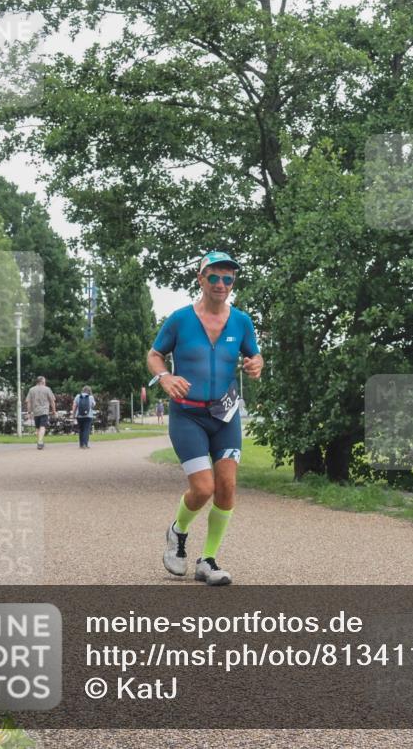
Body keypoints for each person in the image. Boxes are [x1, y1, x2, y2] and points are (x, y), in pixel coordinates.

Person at [147, 250, 263, 586]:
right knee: (203, 487)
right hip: (188, 416)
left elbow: (254, 354)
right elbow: (154, 354)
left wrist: (257, 363)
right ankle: (178, 531)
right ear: (200, 279)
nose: (222, 284)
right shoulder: (180, 319)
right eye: (214, 276)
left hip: (225, 416)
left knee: (226, 487)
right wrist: (164, 378)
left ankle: (208, 560)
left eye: (228, 278)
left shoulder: (241, 321)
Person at [25, 376, 57, 450]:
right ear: (42, 382)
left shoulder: (31, 390)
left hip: (35, 411)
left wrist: (29, 412)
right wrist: (54, 411)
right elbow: (52, 401)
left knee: (37, 427)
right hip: (44, 411)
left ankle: (40, 442)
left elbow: (28, 402)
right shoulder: (47, 389)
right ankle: (40, 441)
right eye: (44, 382)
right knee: (43, 426)